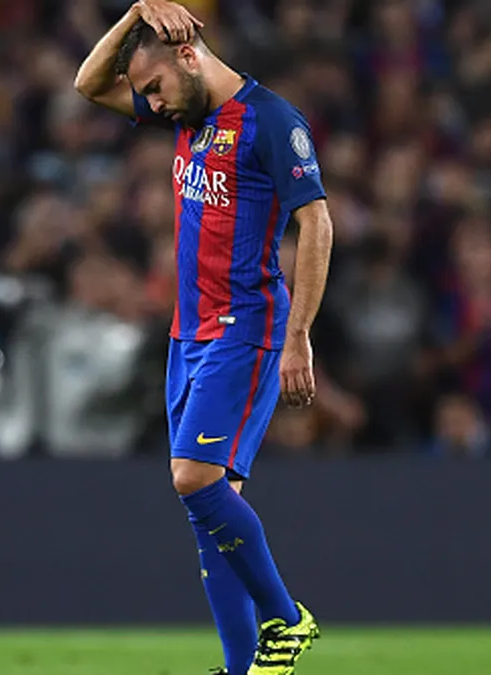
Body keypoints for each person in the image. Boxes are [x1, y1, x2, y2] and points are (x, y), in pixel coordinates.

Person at [74, 2, 333, 674]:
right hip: (187, 333)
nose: (152, 104)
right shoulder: (189, 115)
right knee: (212, 507)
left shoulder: (271, 120)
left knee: (193, 478)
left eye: (155, 87)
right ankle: (242, 668)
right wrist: (137, 10)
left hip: (245, 327)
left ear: (189, 56)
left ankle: (286, 618)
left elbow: (317, 223)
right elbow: (88, 84)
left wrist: (299, 336)